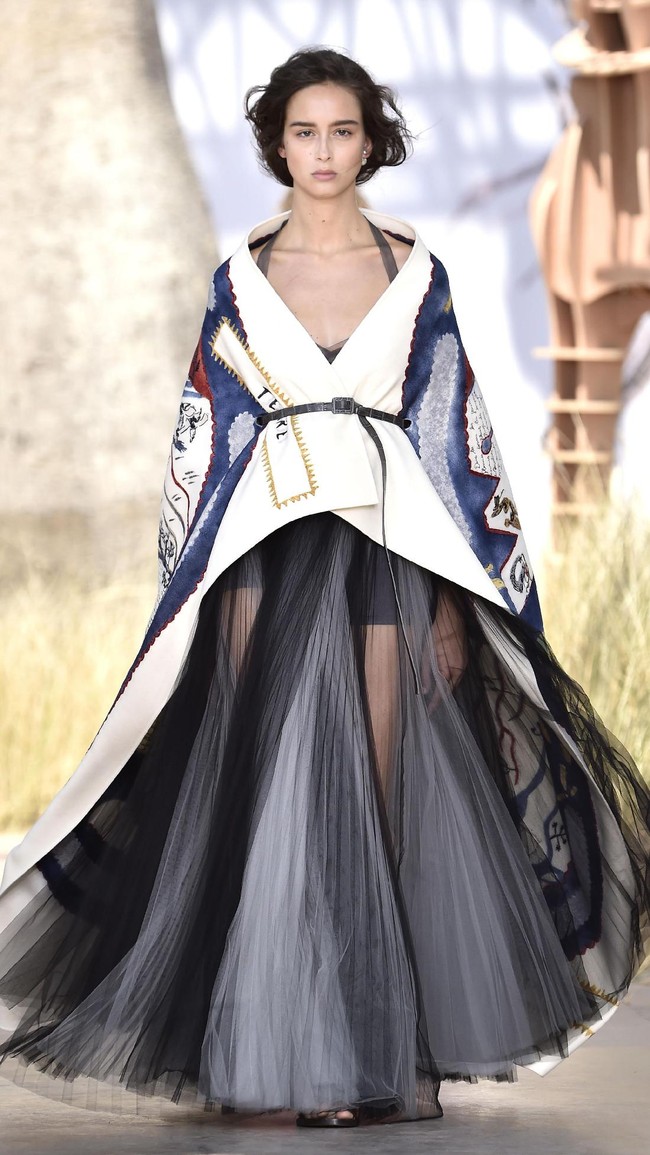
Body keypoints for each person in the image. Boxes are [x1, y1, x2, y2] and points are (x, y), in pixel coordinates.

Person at [0, 47, 649, 1130]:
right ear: (278, 144)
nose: (322, 152)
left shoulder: (414, 271)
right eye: (303, 133)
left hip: (390, 562)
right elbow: (203, 439)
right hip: (261, 557)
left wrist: (454, 601)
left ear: (368, 142)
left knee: (374, 804)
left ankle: (362, 1056)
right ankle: (249, 1057)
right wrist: (191, 588)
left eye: (340, 132)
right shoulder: (240, 277)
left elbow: (454, 442)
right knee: (259, 798)